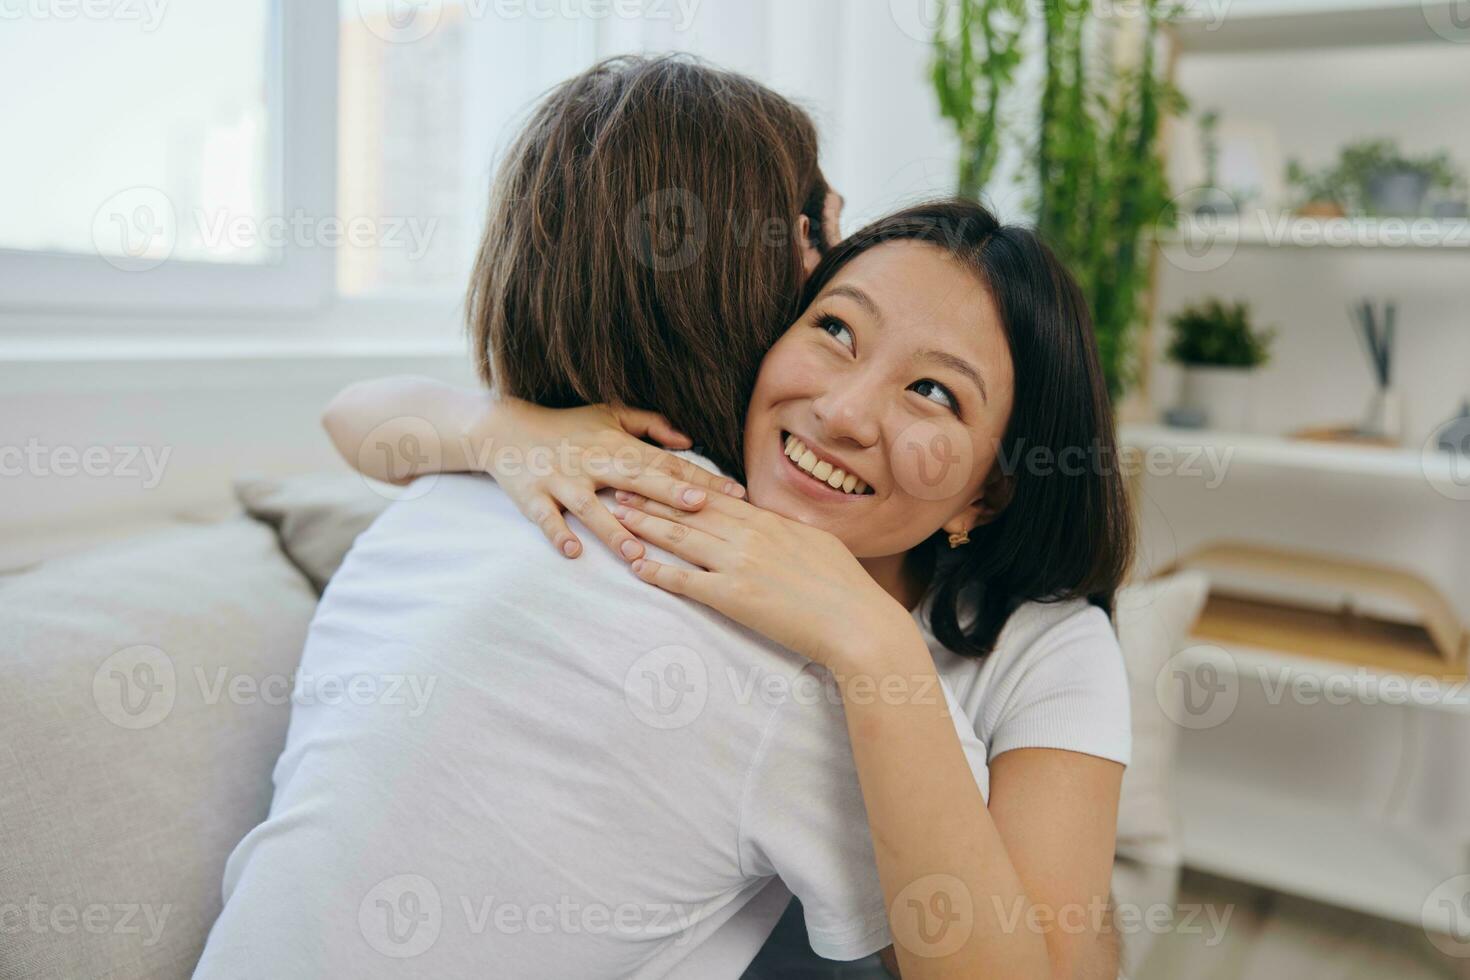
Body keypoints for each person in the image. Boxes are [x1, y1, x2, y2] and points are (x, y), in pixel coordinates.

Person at [196, 56, 1130, 980]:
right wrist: (501, 431)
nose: (847, 412)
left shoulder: (455, 505)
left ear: (987, 492)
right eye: (834, 322)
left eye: (932, 391)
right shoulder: (553, 490)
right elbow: (359, 417)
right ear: (753, 299)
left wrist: (872, 641)